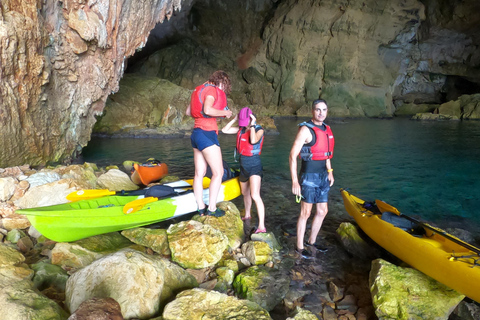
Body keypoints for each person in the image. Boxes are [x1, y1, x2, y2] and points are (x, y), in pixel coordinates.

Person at [289, 99, 335, 258]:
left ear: (327, 111)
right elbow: (292, 155)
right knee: (305, 212)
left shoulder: (327, 129)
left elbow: (326, 153)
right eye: (318, 110)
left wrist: (330, 171)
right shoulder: (305, 130)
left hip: (323, 176)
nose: (321, 113)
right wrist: (295, 180)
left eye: (324, 109)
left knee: (323, 211)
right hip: (308, 177)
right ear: (312, 111)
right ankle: (300, 248)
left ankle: (312, 242)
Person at [186, 70, 233, 217]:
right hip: (207, 134)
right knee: (218, 173)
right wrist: (225, 113)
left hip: (196, 134)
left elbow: (188, 111)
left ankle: (201, 207)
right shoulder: (212, 90)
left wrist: (214, 114)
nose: (223, 90)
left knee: (199, 173)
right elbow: (207, 109)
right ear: (222, 82)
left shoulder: (199, 89)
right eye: (224, 86)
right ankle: (212, 209)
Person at [222, 107, 266, 233]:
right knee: (245, 193)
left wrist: (252, 125)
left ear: (251, 119)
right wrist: (235, 119)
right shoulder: (240, 130)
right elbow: (225, 130)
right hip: (243, 167)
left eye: (245, 121)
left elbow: (253, 140)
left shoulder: (259, 130)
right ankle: (247, 215)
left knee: (255, 195)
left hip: (254, 166)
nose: (243, 124)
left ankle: (262, 226)